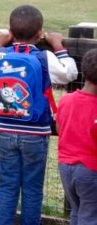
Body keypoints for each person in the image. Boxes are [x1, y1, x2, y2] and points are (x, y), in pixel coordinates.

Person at [0, 5, 78, 225]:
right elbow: (69, 73)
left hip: (5, 130)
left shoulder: (0, 56)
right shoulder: (44, 56)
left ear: (10, 31)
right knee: (32, 187)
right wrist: (58, 45)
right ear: (40, 33)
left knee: (7, 184)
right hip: (35, 132)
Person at [57, 48, 97, 225]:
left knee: (77, 211)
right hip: (90, 170)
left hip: (65, 166)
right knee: (90, 216)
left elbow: (60, 127)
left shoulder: (66, 100)